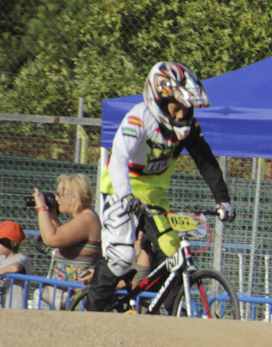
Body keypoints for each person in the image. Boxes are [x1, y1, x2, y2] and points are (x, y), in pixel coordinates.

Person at [85, 62, 236, 311]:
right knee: (121, 257)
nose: (181, 115)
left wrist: (223, 200)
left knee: (173, 252)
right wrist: (125, 196)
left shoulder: (188, 128)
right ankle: (89, 314)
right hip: (120, 190)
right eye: (176, 108)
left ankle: (175, 315)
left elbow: (205, 161)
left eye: (186, 109)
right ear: (159, 100)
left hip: (154, 195)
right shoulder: (138, 118)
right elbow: (119, 159)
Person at [32, 174, 102, 285]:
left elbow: (51, 239)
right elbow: (61, 239)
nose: (57, 199)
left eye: (60, 195)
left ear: (74, 197)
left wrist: (42, 208)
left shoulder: (87, 219)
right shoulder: (81, 217)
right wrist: (52, 214)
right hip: (67, 295)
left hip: (77, 295)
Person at [0, 221, 34, 308]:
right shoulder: (2, 258)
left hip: (16, 309)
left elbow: (15, 268)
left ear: (13, 243)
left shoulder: (21, 257)